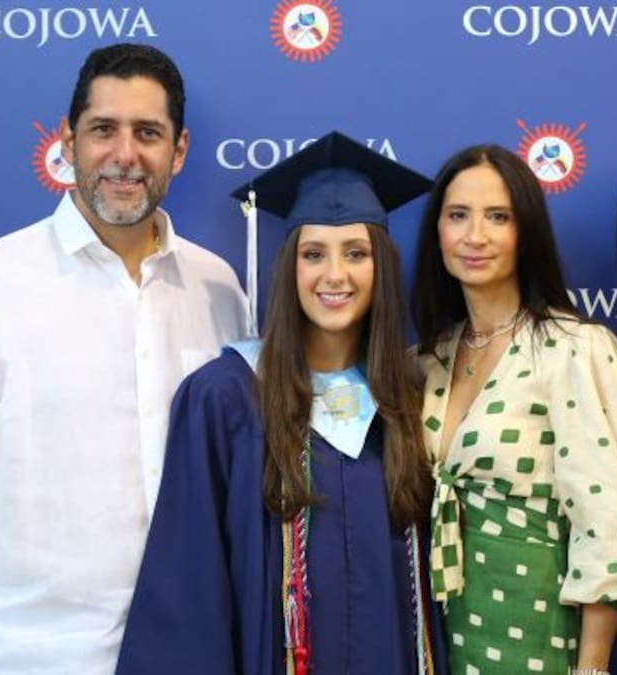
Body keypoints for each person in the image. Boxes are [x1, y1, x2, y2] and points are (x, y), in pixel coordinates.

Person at [0, 43, 249, 675]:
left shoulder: (220, 291)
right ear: (67, 140)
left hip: (194, 654)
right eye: (103, 129)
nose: (124, 155)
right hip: (28, 658)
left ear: (179, 150)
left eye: (148, 133)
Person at [115, 131, 446, 675]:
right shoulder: (225, 398)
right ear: (289, 266)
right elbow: (188, 591)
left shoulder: (407, 402)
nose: (334, 275)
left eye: (356, 254)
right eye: (313, 253)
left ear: (380, 268)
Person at [411, 144, 617, 675]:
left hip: (539, 638)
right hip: (443, 636)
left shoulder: (573, 349)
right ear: (437, 233)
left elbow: (606, 526)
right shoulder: (429, 360)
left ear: (528, 233)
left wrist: (592, 668)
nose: (475, 236)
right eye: (458, 216)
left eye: (498, 217)